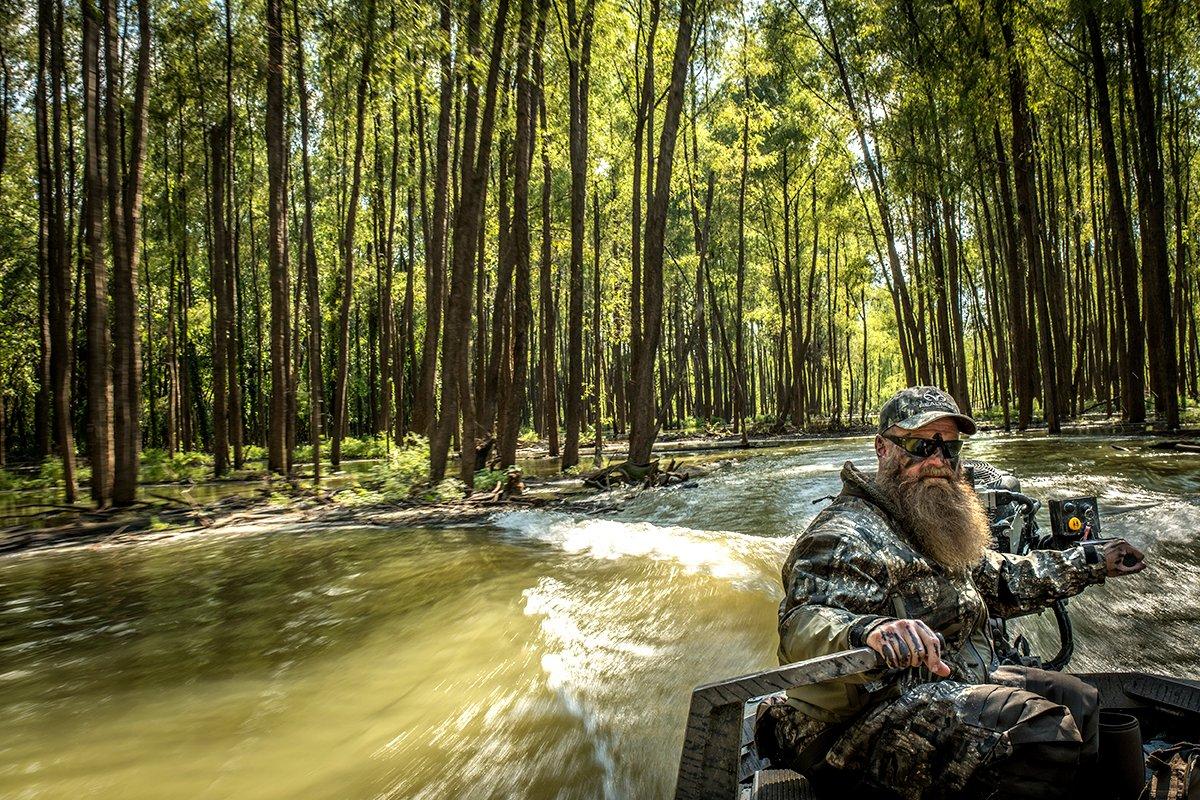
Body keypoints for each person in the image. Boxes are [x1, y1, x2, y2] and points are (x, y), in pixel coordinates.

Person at [762, 386, 1146, 800]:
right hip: (852, 729)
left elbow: (1000, 579)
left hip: (947, 686)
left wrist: (1090, 561)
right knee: (1042, 731)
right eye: (921, 444)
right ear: (882, 448)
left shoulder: (929, 521)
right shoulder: (842, 535)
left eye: (949, 449)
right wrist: (868, 631)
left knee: (1081, 700)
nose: (937, 461)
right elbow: (803, 624)